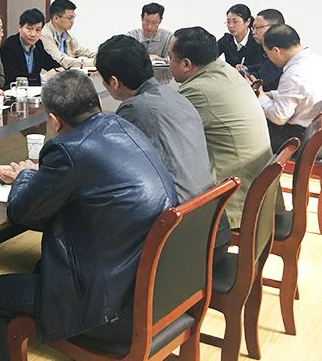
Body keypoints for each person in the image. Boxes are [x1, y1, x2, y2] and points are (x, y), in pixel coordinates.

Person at [0, 70, 177, 361]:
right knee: (44, 265)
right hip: (157, 288)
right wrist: (34, 177)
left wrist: (25, 176)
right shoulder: (121, 126)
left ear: (54, 121)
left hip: (115, 310)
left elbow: (22, 212)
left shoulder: (66, 149)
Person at [96, 34, 230, 264]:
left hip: (183, 244)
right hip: (214, 229)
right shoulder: (174, 95)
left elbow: (111, 171)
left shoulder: (134, 109)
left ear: (114, 82)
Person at [168, 26, 280, 228]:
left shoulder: (197, 91)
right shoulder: (226, 71)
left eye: (170, 58)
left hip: (235, 198)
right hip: (257, 186)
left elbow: (170, 139)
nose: (168, 64)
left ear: (186, 64)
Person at [258, 24, 322, 152]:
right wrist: (270, 94)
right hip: (313, 128)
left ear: (276, 50)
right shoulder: (319, 60)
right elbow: (302, 93)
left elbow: (279, 117)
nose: (269, 58)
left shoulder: (294, 74)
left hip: (294, 137)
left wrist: (261, 97)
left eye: (267, 54)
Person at [0, 8, 62, 86]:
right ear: (20, 27)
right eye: (29, 29)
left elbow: (48, 61)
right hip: (14, 90)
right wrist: (41, 77)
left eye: (38, 30)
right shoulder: (9, 46)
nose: (33, 34)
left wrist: (59, 70)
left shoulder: (38, 44)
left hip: (33, 90)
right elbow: (12, 75)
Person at [237, 9, 285, 91]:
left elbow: (262, 78)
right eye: (253, 28)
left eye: (258, 27)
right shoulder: (265, 47)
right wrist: (247, 68)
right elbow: (264, 65)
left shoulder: (279, 51)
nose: (253, 32)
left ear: (274, 28)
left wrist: (236, 74)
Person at [40, 0, 96, 68]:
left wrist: (99, 57)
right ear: (56, 18)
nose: (72, 21)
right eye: (70, 18)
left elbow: (82, 51)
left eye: (73, 17)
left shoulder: (68, 36)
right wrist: (87, 62)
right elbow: (60, 60)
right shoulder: (44, 35)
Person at [217, 4, 264, 68]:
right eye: (228, 22)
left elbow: (263, 66)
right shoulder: (226, 40)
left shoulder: (257, 41)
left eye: (235, 22)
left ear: (248, 22)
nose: (231, 26)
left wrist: (247, 69)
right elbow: (210, 55)